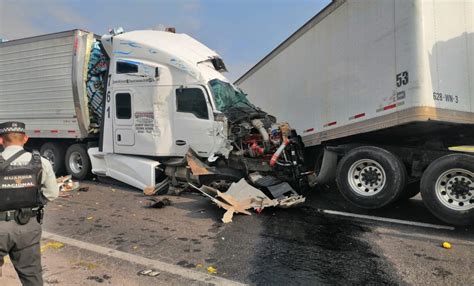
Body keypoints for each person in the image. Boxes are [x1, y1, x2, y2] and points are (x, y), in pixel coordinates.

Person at [0, 121, 59, 286]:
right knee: (32, 276)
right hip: (28, 225)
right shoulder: (41, 162)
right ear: (25, 138)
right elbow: (52, 193)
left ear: (0, 140)